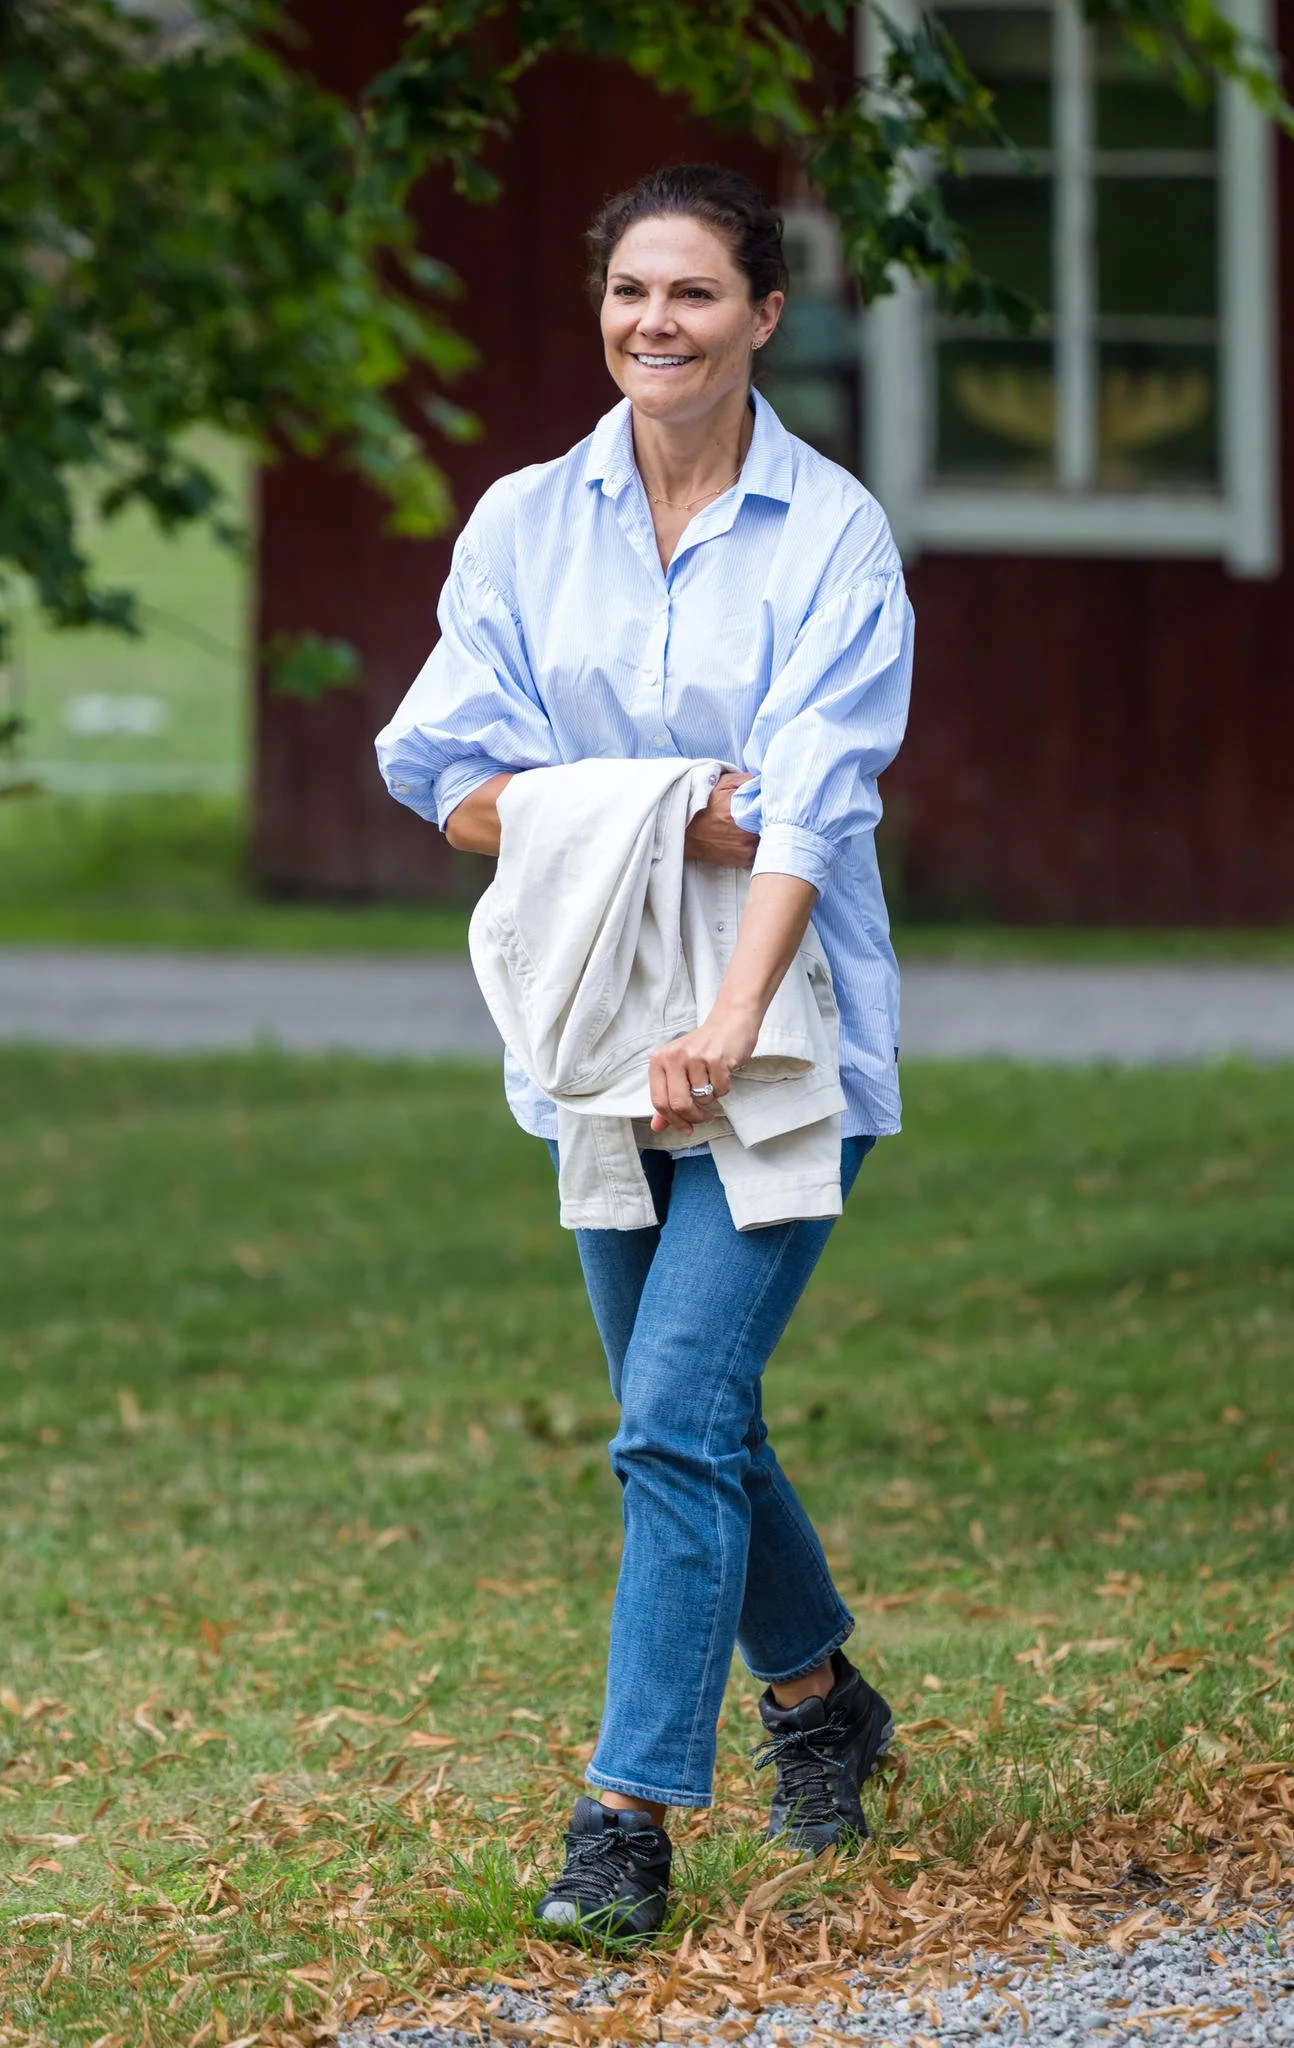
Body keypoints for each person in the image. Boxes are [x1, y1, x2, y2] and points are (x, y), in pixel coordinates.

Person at [376, 163, 914, 1940]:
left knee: (673, 1420)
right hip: (594, 1020)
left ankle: (627, 1818)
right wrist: (678, 805)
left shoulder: (832, 536)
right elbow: (448, 780)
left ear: (765, 315)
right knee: (680, 1416)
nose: (654, 325)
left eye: (693, 295)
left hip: (782, 1030)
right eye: (630, 294)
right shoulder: (526, 525)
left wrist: (734, 1022)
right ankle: (826, 1705)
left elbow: (814, 818)